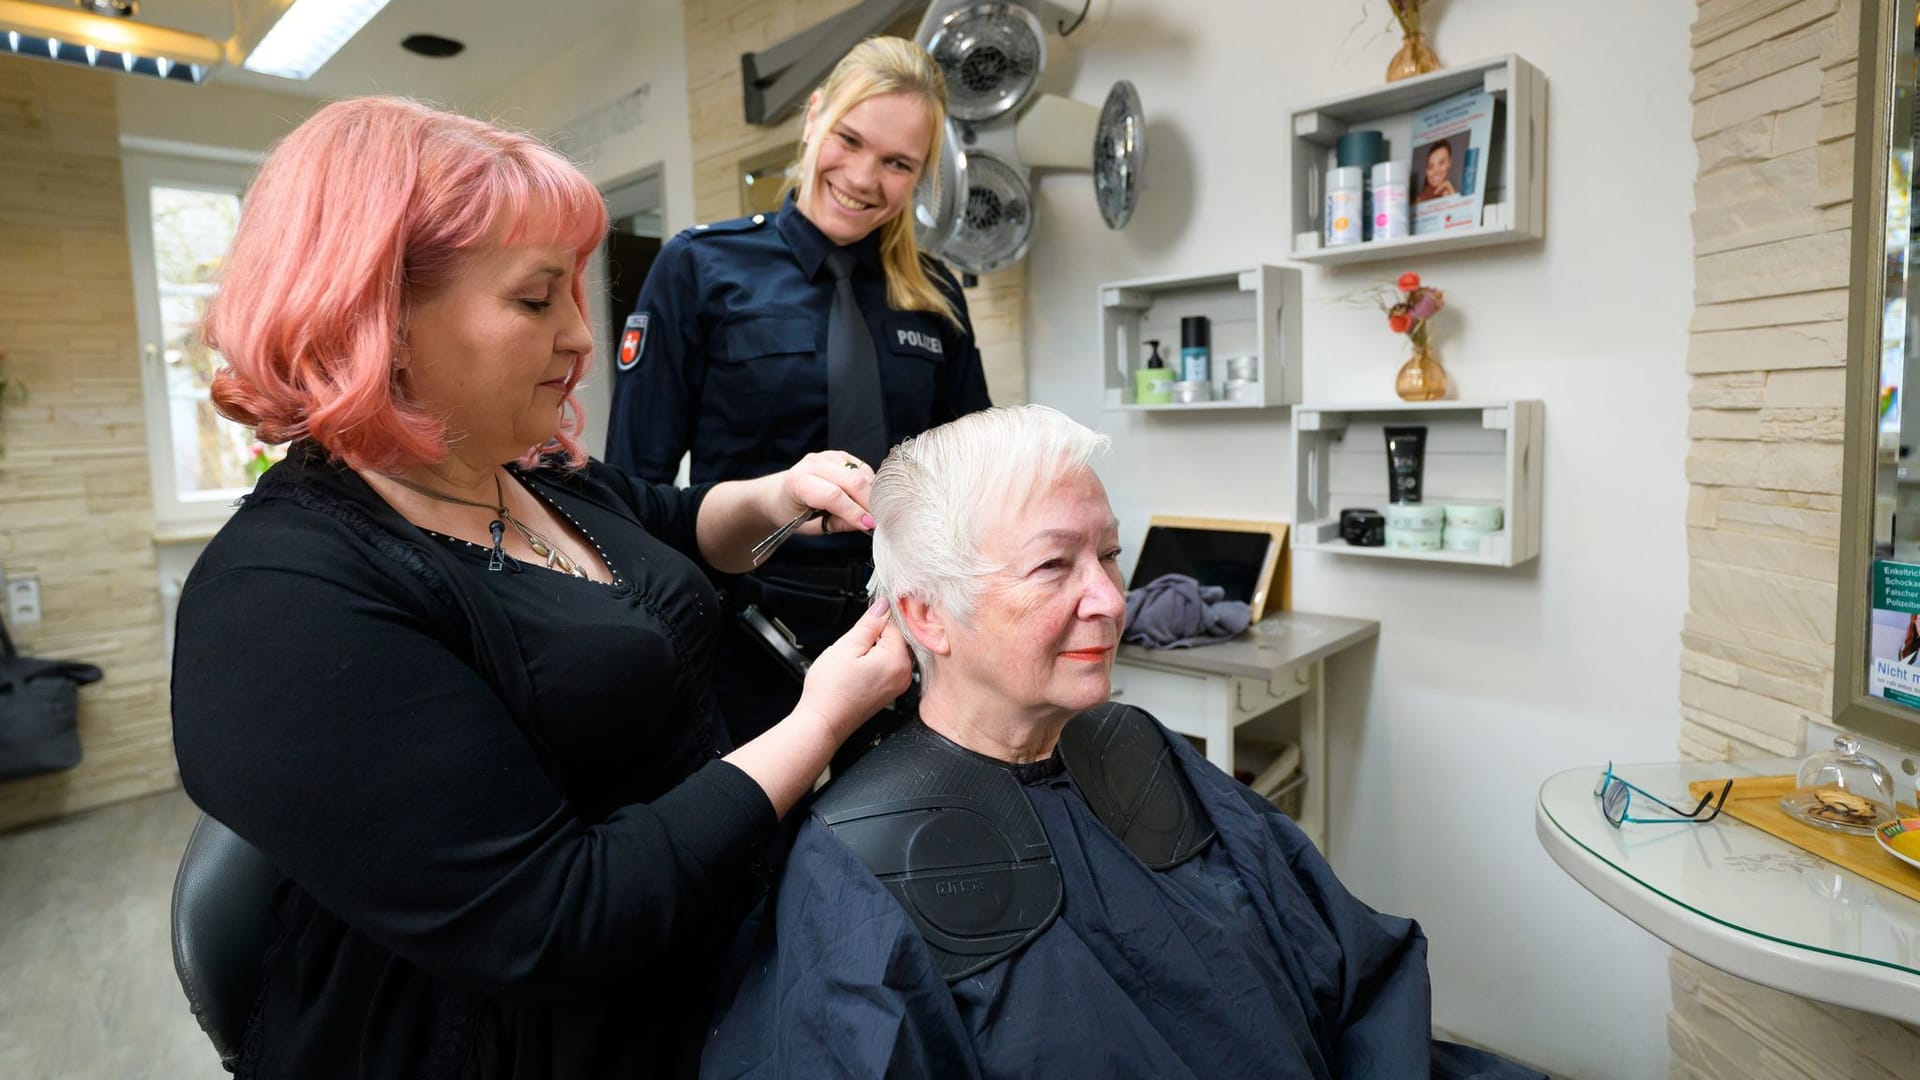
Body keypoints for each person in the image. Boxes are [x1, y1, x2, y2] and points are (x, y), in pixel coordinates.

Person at [169, 97, 912, 1079]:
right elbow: (556, 920)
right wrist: (818, 723)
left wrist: (779, 494)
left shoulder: (524, 474)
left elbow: (671, 522)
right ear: (376, 319)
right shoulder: (283, 601)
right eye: (535, 299)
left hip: (705, 956)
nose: (578, 339)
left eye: (575, 295)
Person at [700, 405, 1544, 1079]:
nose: (1110, 599)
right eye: (1053, 567)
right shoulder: (857, 861)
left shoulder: (1137, 748)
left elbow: (1358, 975)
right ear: (926, 614)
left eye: (1108, 555)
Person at [604, 36, 992, 749]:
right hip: (747, 628)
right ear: (813, 118)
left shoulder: (936, 295)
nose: (865, 177)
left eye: (899, 163)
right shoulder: (699, 265)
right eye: (850, 139)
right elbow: (635, 487)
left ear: (919, 177)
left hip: (903, 626)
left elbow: (973, 477)